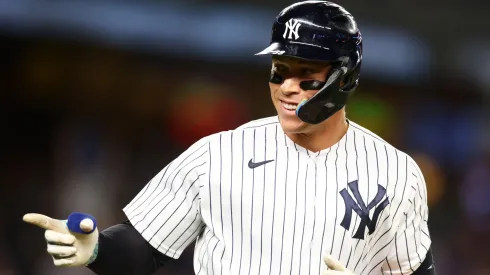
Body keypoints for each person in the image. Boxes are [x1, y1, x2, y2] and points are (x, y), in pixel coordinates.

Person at [23, 1, 436, 274]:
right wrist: (97, 249)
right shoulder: (218, 153)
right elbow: (143, 246)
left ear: (344, 79)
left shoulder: (396, 173)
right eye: (279, 70)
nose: (287, 87)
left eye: (305, 75)